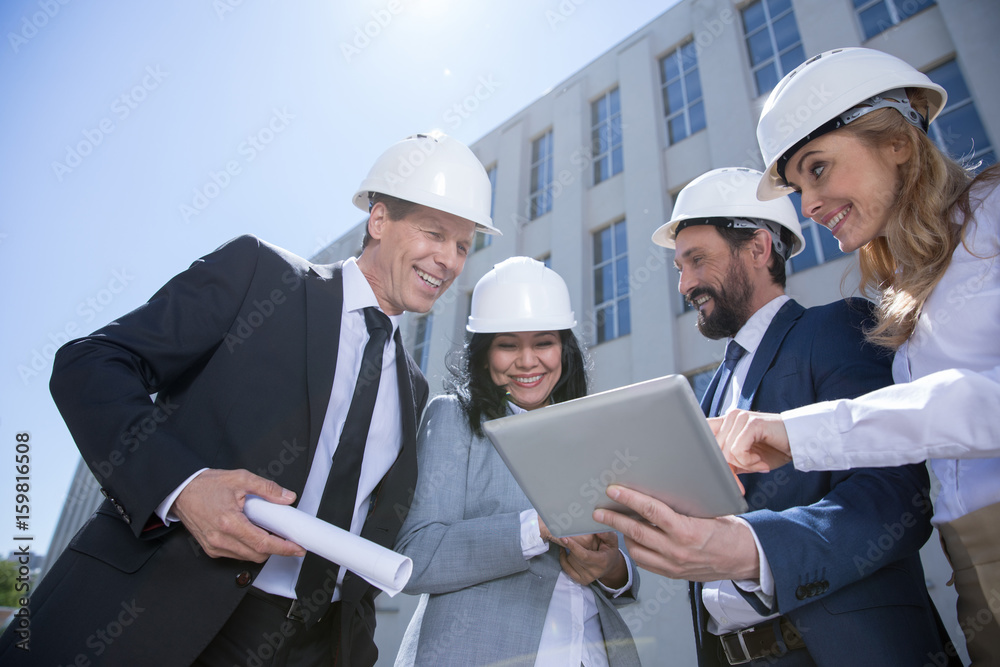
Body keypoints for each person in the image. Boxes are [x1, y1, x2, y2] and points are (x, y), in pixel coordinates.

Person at [0, 131, 500, 667]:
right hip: (160, 618)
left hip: (311, 646)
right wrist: (183, 487)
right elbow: (90, 364)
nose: (448, 259)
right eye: (434, 233)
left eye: (464, 245)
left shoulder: (414, 387)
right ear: (378, 220)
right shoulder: (261, 276)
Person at [595, 167, 956, 665]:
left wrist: (753, 550)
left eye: (697, 260)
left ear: (759, 249)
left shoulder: (836, 328)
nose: (685, 284)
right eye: (679, 267)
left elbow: (896, 496)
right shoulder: (710, 391)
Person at [711, 47, 1000, 665]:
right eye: (796, 185)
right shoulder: (901, 292)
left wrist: (797, 432)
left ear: (896, 140)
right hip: (969, 560)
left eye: (818, 168)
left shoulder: (994, 221)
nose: (808, 204)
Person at [393, 257, 642, 667]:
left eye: (543, 342)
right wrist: (538, 527)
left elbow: (625, 575)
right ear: (485, 355)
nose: (528, 361)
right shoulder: (454, 418)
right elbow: (416, 556)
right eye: (508, 344)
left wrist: (611, 565)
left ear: (564, 349)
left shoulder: (591, 433)